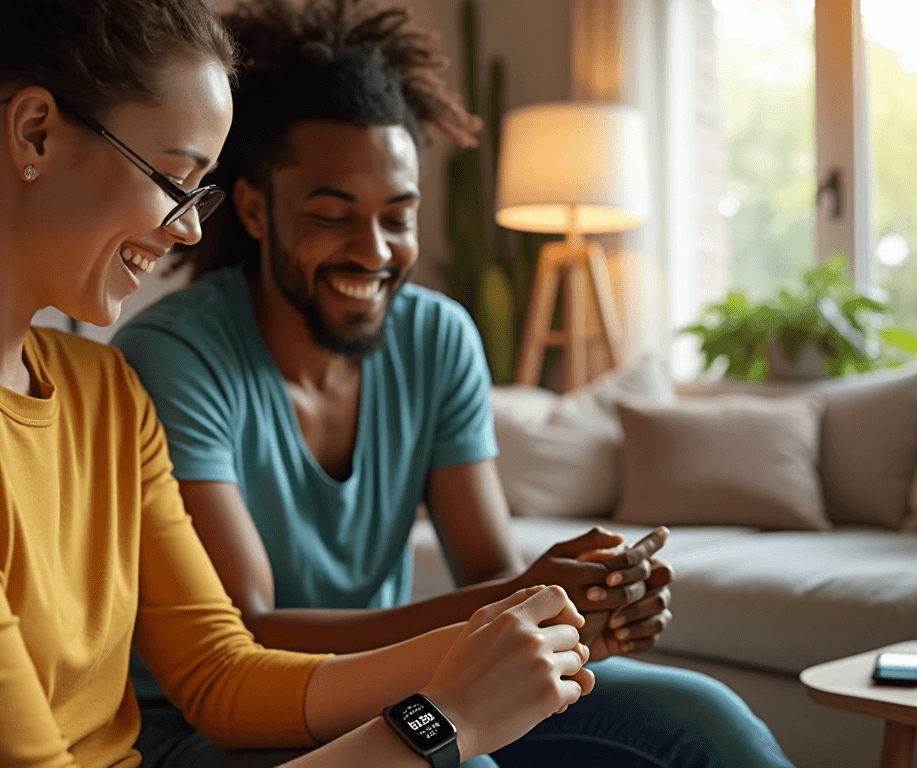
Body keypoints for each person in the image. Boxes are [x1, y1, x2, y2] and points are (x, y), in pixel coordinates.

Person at [0, 2, 597, 767]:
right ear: (35, 132)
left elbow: (220, 673)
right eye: (175, 181)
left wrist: (483, 643)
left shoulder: (102, 388)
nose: (186, 230)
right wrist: (439, 722)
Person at [112, 1, 796, 766]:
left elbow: (488, 573)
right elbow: (248, 638)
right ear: (255, 209)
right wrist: (517, 600)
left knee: (700, 715)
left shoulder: (437, 337)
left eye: (397, 217)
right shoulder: (174, 357)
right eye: (333, 216)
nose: (372, 251)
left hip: (411, 687)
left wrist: (580, 604)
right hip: (208, 728)